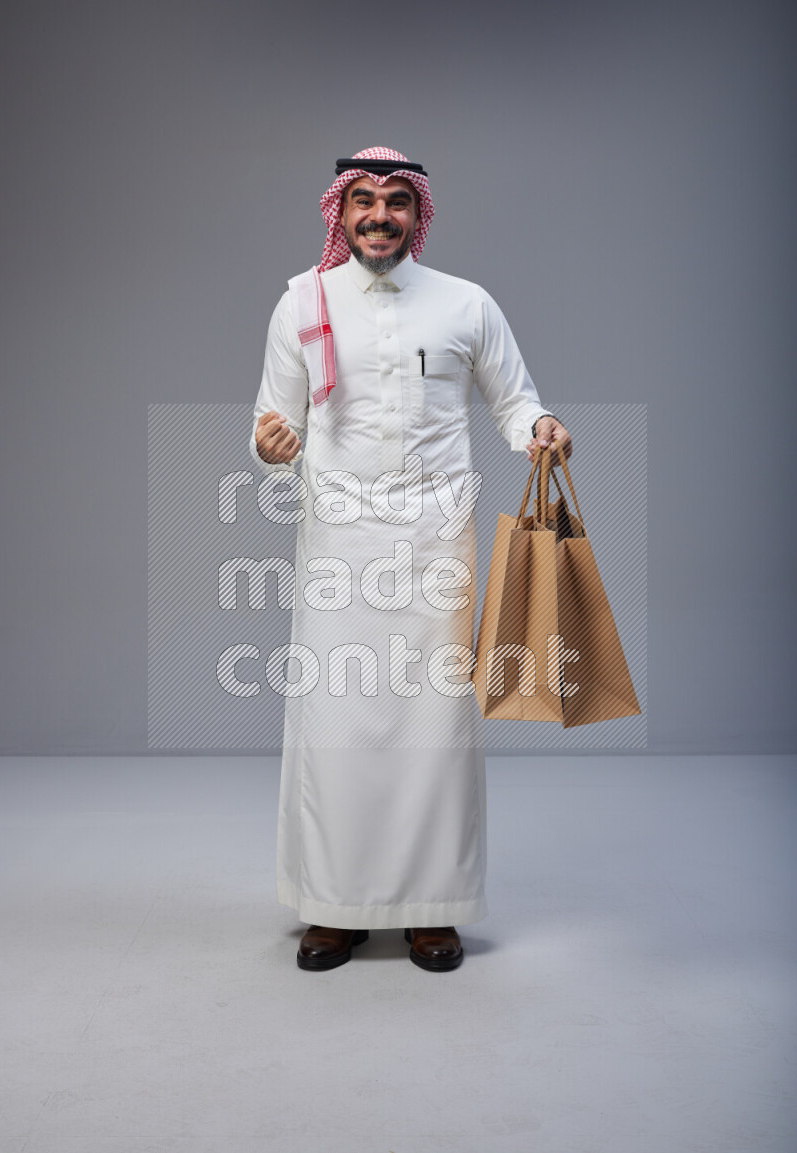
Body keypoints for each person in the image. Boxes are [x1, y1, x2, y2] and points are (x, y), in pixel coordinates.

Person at [249, 147, 572, 972]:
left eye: (395, 200)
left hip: (437, 543)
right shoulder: (303, 301)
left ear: (417, 212)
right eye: (362, 200)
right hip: (339, 542)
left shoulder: (466, 304)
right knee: (338, 721)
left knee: (435, 727)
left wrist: (540, 430)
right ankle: (333, 906)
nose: (378, 215)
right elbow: (271, 423)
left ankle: (434, 909)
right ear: (340, 211)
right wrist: (269, 444)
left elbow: (514, 400)